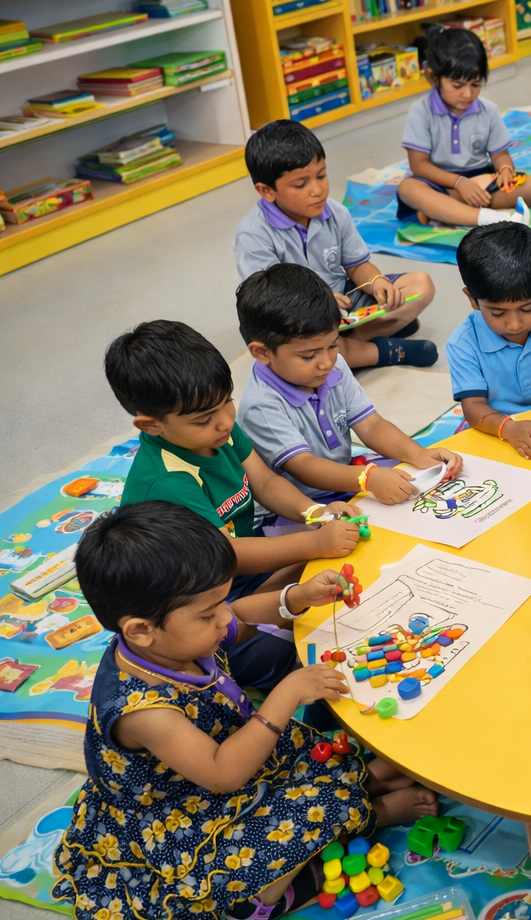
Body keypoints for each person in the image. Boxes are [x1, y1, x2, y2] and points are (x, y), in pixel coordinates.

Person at [51, 502, 437, 920]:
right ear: (141, 629)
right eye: (208, 613)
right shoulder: (144, 712)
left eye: (221, 601)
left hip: (216, 756)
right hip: (180, 816)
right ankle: (256, 905)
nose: (224, 617)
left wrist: (297, 597)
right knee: (318, 802)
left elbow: (240, 615)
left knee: (309, 746)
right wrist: (286, 693)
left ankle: (359, 786)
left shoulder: (172, 637)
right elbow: (225, 774)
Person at [107, 321, 362, 690]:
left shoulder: (218, 428)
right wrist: (316, 542)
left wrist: (315, 514)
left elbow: (267, 482)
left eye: (226, 401)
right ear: (151, 425)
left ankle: (271, 602)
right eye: (204, 419)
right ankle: (269, 615)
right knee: (273, 651)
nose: (226, 421)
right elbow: (228, 554)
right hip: (200, 598)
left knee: (333, 564)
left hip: (237, 574)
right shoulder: (167, 480)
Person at [235, 265, 464, 510]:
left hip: (346, 480)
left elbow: (371, 424)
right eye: (308, 356)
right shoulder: (262, 406)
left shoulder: (332, 366)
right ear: (262, 352)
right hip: (302, 505)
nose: (327, 362)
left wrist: (419, 455)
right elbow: (304, 467)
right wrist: (367, 478)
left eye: (333, 346)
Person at [235, 120, 436, 370]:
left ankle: (345, 346)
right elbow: (269, 298)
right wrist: (323, 302)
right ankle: (385, 350)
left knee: (421, 285)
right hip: (296, 315)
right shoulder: (253, 234)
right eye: (301, 184)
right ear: (267, 191)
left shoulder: (335, 213)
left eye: (321, 175)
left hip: (345, 305)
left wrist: (376, 283)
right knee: (291, 351)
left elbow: (357, 264)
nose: (318, 190)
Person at [448, 222, 531, 461]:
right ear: (472, 299)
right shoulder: (463, 344)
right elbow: (473, 408)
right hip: (497, 431)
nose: (514, 324)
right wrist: (509, 428)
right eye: (498, 313)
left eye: (527, 308)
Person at [395, 26, 531, 228]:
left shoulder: (488, 110)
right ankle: (491, 217)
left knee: (530, 186)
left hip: (482, 182)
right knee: (408, 188)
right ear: (433, 77)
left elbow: (500, 155)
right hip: (440, 183)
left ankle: (446, 212)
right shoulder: (421, 112)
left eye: (476, 84)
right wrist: (459, 183)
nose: (467, 94)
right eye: (457, 85)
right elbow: (419, 166)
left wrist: (505, 170)